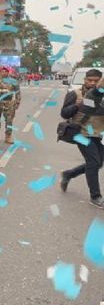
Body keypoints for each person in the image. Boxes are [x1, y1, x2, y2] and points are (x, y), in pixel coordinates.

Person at [59, 69, 104, 208]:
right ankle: (95, 196)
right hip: (81, 133)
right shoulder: (75, 93)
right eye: (89, 80)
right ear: (84, 80)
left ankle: (69, 174)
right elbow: (64, 114)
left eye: (96, 81)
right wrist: (77, 105)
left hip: (98, 133)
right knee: (93, 161)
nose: (92, 83)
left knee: (98, 162)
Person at [0, 66, 21, 144]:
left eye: (6, 71)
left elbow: (18, 92)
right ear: (0, 72)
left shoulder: (13, 81)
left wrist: (17, 102)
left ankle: (8, 136)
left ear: (8, 72)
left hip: (9, 102)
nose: (4, 73)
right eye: (2, 71)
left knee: (9, 120)